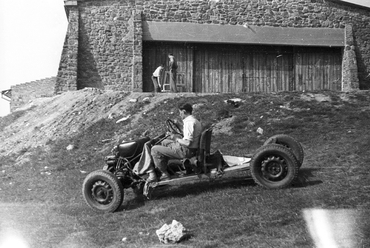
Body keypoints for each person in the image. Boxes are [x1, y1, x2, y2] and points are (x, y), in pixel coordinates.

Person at [149, 103, 202, 182]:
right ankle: (166, 167)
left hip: (186, 151)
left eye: (180, 112)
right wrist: (179, 125)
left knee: (154, 149)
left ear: (184, 111)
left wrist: (175, 138)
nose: (180, 115)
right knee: (164, 142)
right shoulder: (194, 120)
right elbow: (187, 134)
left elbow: (187, 143)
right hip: (189, 149)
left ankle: (164, 173)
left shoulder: (189, 123)